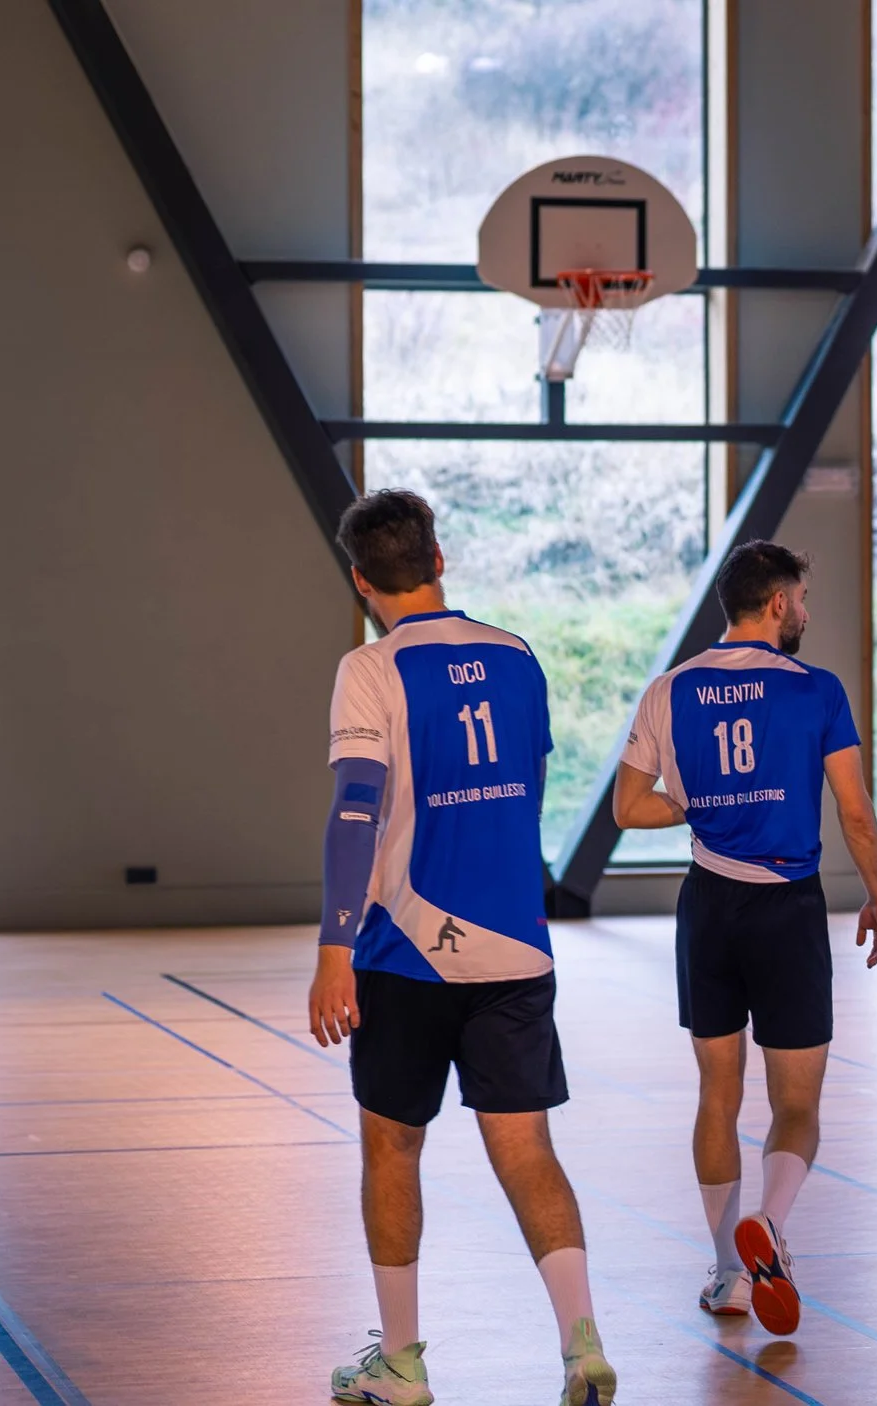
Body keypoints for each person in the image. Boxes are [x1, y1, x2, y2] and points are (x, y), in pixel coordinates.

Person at [306, 489, 616, 1406]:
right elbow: (527, 787)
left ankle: (401, 1365)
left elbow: (356, 810)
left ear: (360, 581)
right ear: (439, 561)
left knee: (391, 1148)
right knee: (527, 1151)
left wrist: (333, 947)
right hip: (517, 951)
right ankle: (582, 1348)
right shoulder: (517, 656)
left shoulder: (370, 668)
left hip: (408, 952)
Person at [614, 540, 877, 1337]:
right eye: (800, 599)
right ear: (776, 604)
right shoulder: (816, 689)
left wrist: (697, 804)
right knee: (797, 1104)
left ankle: (728, 1275)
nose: (804, 611)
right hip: (787, 909)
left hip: (708, 906)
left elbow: (629, 808)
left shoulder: (669, 689)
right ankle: (768, 1223)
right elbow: (854, 813)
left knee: (718, 1093)